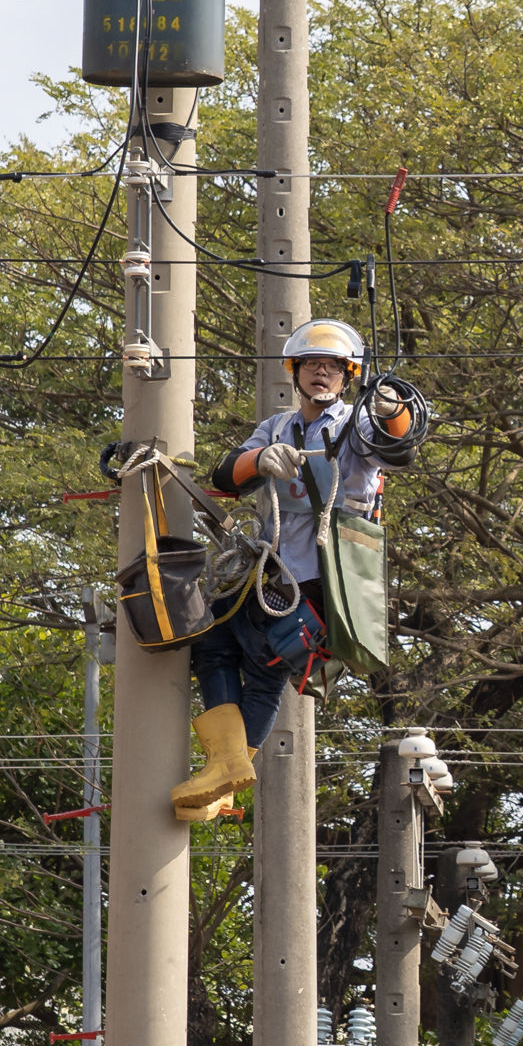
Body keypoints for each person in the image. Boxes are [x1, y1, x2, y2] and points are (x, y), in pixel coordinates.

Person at [132, 319, 428, 825]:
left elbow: (399, 447)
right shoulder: (278, 427)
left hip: (320, 579)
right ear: (295, 371)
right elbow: (226, 474)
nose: (322, 373)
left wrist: (392, 408)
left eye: (334, 367)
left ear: (348, 376)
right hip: (266, 571)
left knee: (252, 661)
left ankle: (228, 767)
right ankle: (225, 769)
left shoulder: (354, 426)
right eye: (312, 364)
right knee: (226, 651)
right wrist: (259, 461)